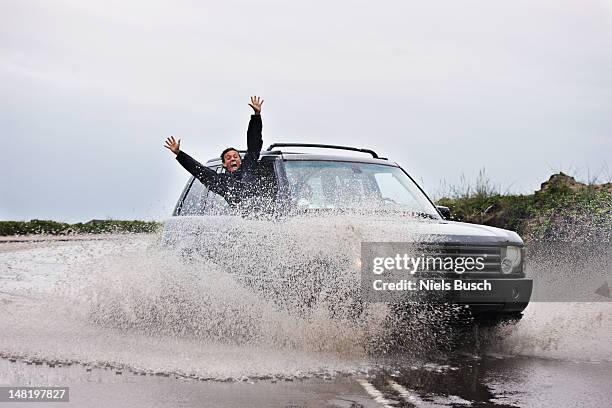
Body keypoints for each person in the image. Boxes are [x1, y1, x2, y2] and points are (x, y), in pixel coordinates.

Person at [164, 96, 265, 208]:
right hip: (239, 221)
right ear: (224, 164)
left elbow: (254, 144)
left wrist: (256, 116)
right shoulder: (220, 181)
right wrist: (179, 154)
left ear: (240, 160)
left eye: (235, 156)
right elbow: (198, 170)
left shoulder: (249, 167)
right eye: (228, 157)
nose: (232, 159)